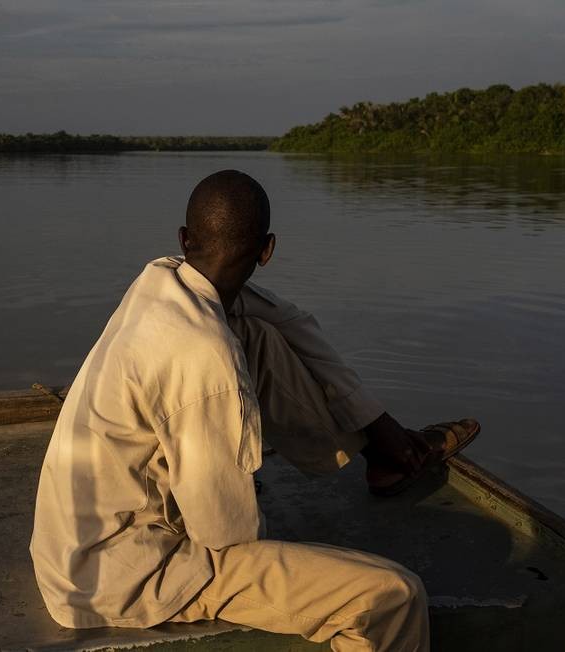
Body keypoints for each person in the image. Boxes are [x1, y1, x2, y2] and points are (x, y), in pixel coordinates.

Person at [29, 169, 479, 651]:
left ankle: (380, 457)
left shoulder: (163, 281)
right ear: (267, 250)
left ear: (184, 239)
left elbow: (291, 322)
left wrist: (378, 426)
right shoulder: (204, 356)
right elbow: (229, 537)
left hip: (72, 552)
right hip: (127, 576)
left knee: (263, 337)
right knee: (393, 596)